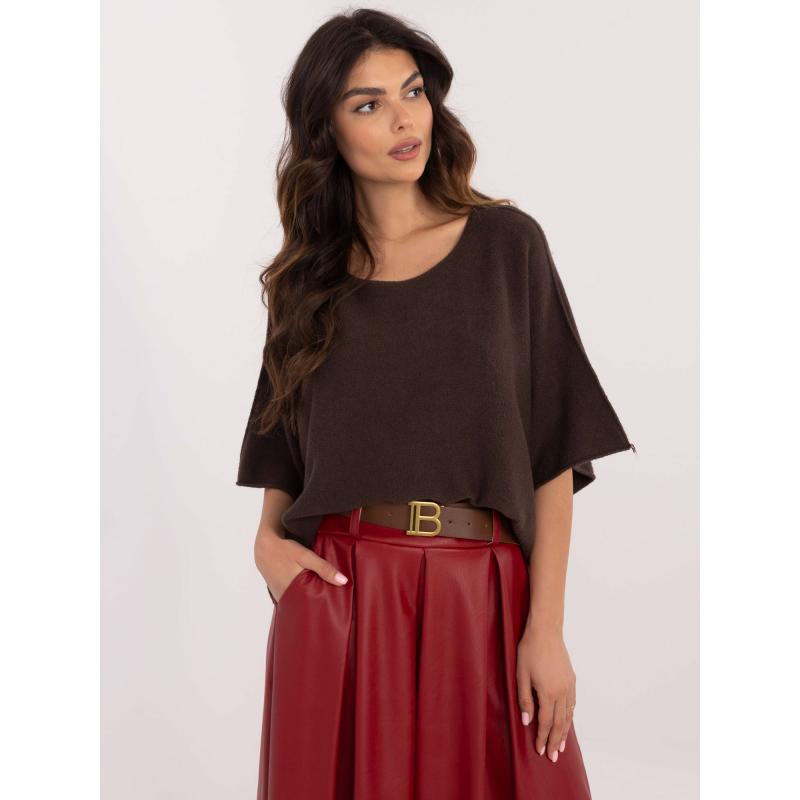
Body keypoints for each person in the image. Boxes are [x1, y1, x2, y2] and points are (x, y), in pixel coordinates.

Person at [235, 9, 636, 799]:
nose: (403, 118)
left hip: (483, 592)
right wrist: (266, 546)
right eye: (368, 103)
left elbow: (553, 452)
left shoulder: (508, 246)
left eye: (412, 92)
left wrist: (546, 630)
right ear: (326, 131)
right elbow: (282, 444)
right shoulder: (306, 282)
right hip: (345, 598)